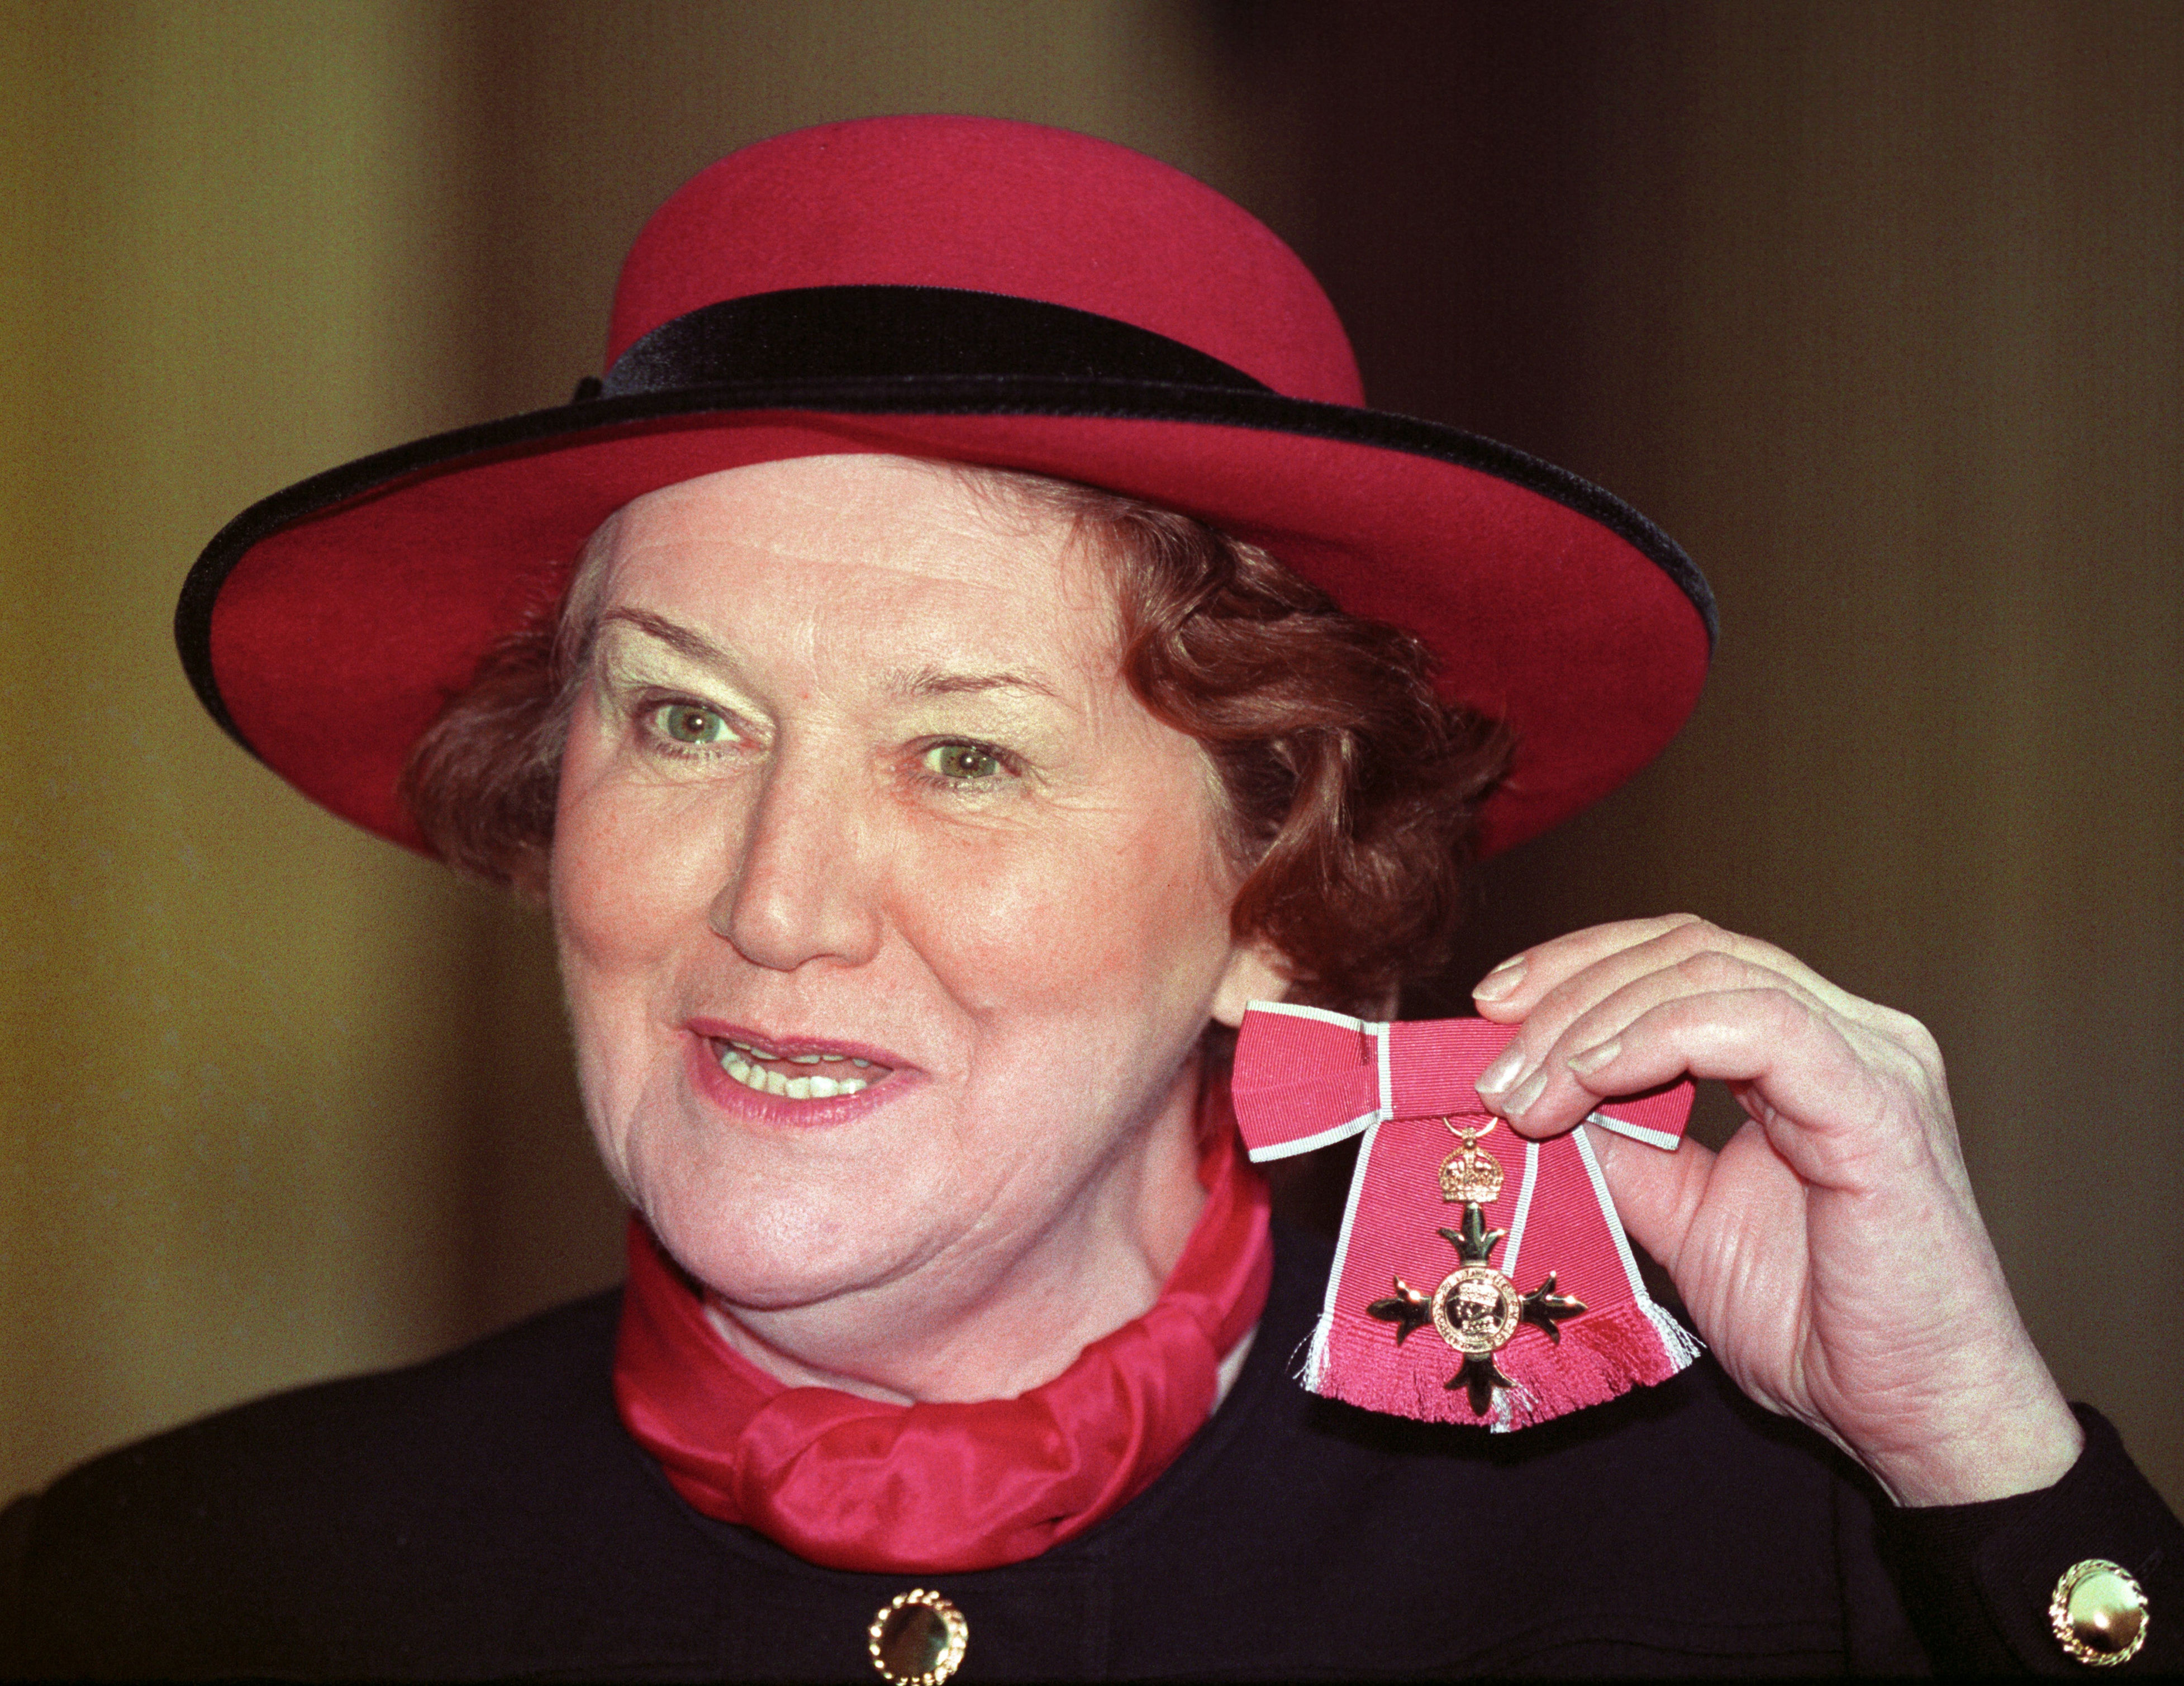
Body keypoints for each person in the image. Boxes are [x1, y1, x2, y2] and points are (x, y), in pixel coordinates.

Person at [3, 115, 2175, 1679]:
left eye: (964, 751)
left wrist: (1979, 1455)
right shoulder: (158, 1598)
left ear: (1277, 886)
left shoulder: (1731, 1560)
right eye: (681, 722)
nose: (779, 900)